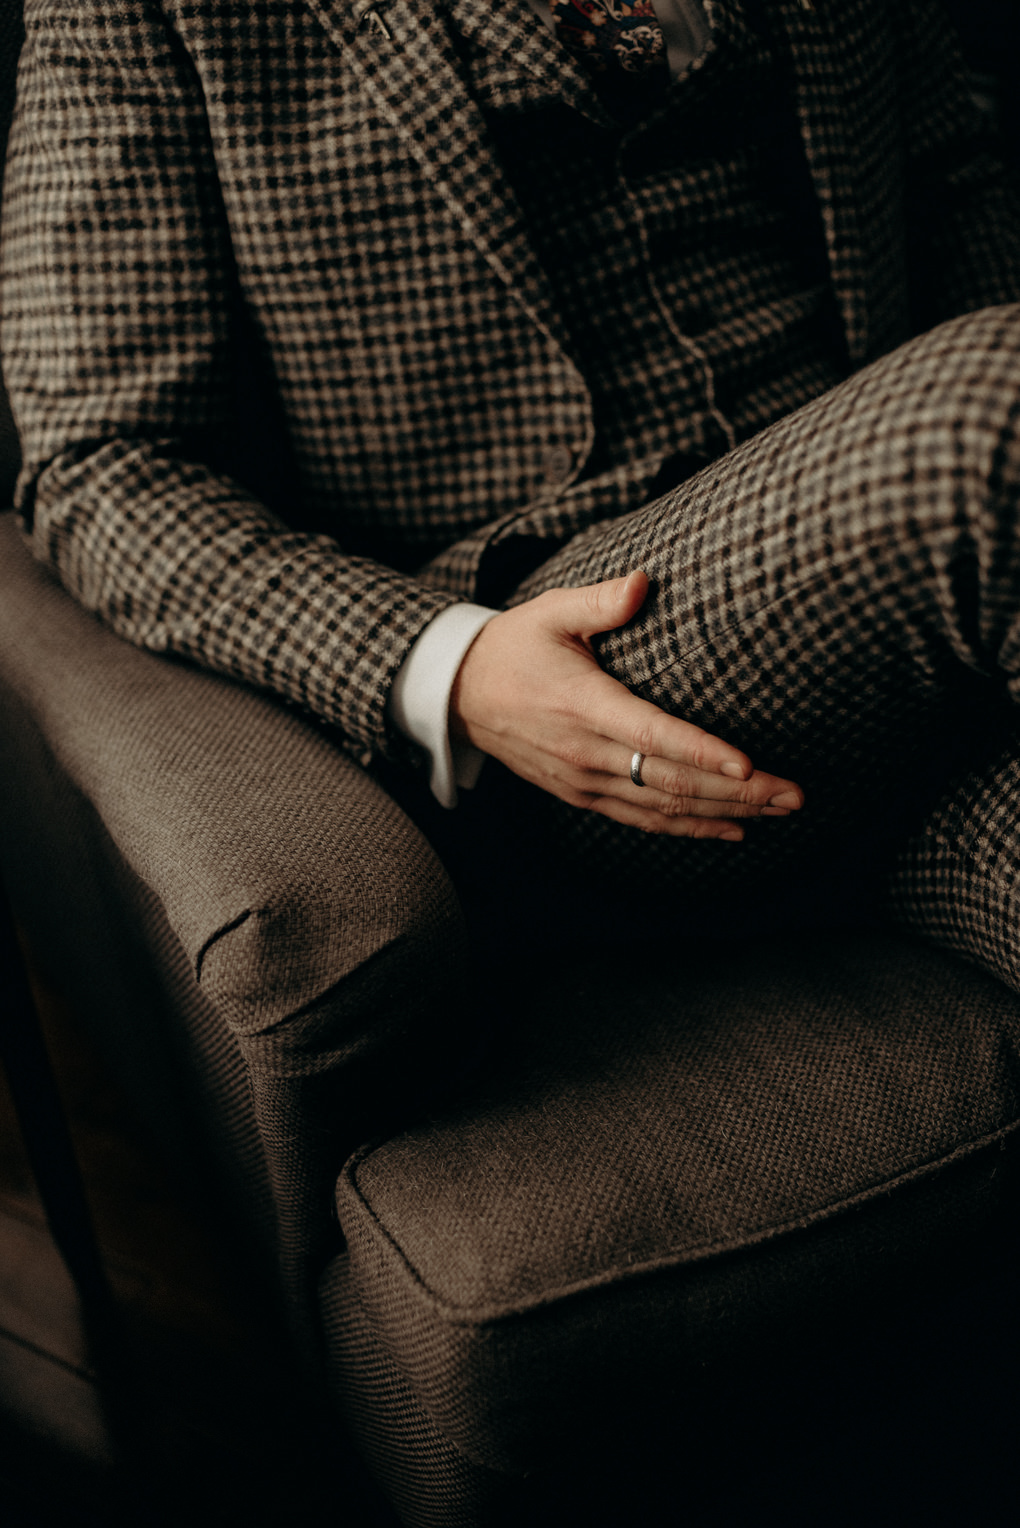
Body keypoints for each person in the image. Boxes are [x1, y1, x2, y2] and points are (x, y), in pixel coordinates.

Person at [3, 0, 1020, 972]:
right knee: (997, 403)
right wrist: (446, 666)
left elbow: (952, 175)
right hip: (595, 650)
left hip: (928, 605)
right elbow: (102, 463)